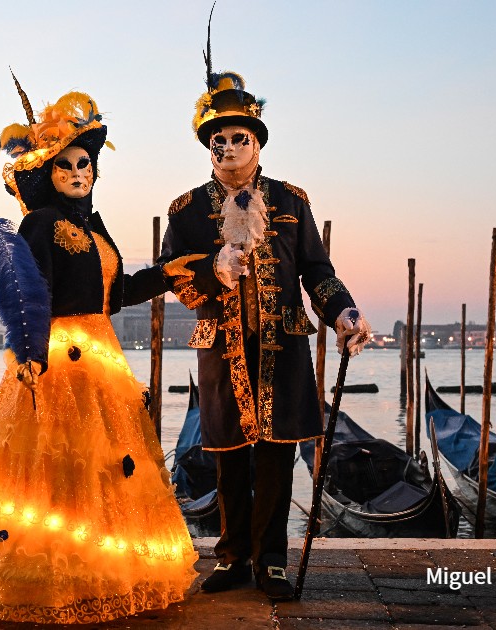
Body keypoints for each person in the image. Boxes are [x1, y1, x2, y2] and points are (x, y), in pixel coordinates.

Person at [0, 87, 200, 624]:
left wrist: (164, 275)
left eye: (86, 164)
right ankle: (49, 577)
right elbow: (31, 292)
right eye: (68, 165)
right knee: (56, 465)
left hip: (104, 359)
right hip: (57, 359)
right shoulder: (41, 224)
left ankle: (104, 566)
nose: (80, 172)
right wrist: (29, 349)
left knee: (105, 468)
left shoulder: (94, 226)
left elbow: (112, 295)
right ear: (48, 172)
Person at [159, 67, 372, 600]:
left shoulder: (292, 201)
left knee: (277, 451)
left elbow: (316, 270)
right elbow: (174, 276)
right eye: (219, 139)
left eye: (239, 138)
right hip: (222, 343)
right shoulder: (184, 211)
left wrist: (343, 312)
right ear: (208, 147)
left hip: (283, 343)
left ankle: (272, 560)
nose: (228, 146)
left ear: (257, 144)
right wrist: (214, 269)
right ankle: (231, 557)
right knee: (227, 452)